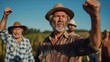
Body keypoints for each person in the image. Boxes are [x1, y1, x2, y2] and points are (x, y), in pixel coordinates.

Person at [36, 0, 101, 62]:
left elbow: (94, 45)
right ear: (51, 20)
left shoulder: (74, 40)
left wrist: (95, 17)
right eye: (57, 16)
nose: (60, 19)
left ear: (67, 21)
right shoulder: (43, 44)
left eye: (63, 16)